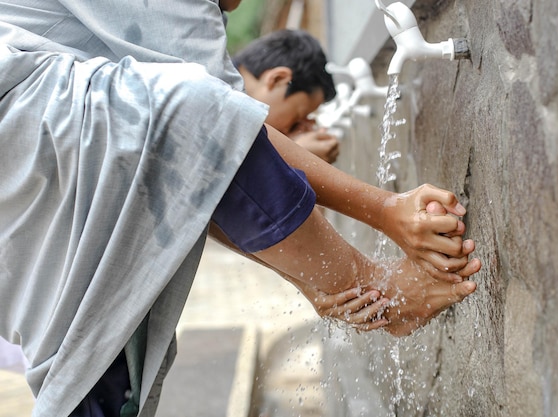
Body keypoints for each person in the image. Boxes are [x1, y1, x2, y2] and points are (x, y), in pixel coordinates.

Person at [0, 0, 481, 416]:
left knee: (103, 355)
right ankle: (383, 297)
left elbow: (204, 179)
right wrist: (385, 212)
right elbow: (215, 131)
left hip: (39, 156)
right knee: (192, 115)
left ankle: (376, 294)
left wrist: (314, 281)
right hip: (23, 122)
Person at [232, 29, 341, 163]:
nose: (302, 127)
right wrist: (292, 157)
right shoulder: (214, 110)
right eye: (298, 117)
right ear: (278, 79)